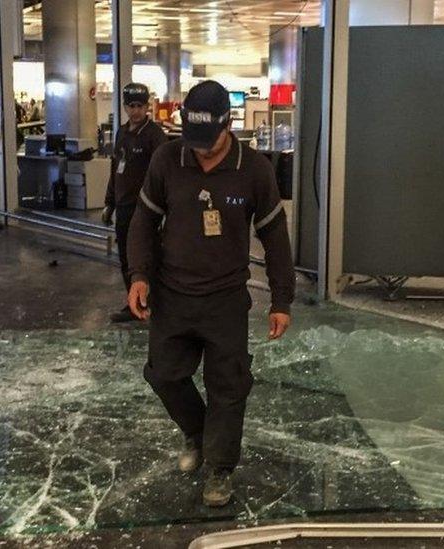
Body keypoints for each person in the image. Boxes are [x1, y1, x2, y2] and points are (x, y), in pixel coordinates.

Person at [126, 80, 295, 507]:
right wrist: (139, 276)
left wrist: (281, 300)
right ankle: (198, 432)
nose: (201, 149)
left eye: (210, 140)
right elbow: (144, 223)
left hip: (225, 299)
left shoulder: (254, 169)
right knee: (163, 374)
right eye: (194, 138)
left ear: (228, 124)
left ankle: (219, 467)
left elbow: (275, 237)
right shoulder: (168, 157)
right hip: (173, 293)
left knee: (228, 386)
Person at [102, 83, 168, 322]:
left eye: (141, 106)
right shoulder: (122, 133)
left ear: (147, 106)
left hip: (146, 209)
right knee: (126, 258)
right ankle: (134, 303)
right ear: (125, 107)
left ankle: (151, 302)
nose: (136, 111)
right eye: (132, 106)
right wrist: (109, 202)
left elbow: (163, 173)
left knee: (147, 256)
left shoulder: (154, 136)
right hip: (123, 205)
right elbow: (115, 167)